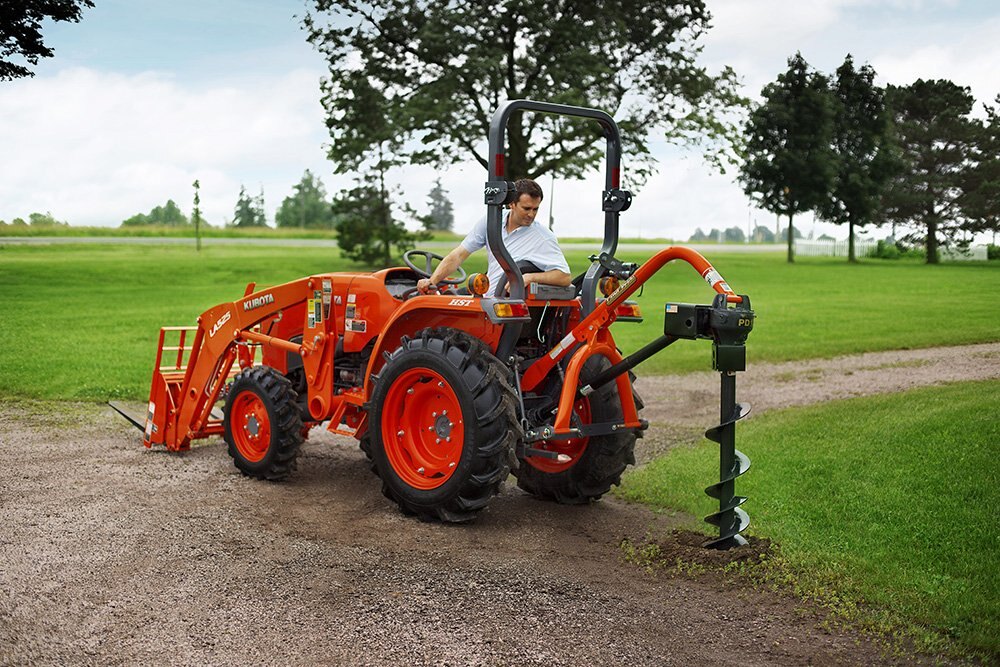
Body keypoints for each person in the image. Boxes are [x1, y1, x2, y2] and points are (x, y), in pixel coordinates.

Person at [416, 178, 572, 294]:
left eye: (535, 209)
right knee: (448, 295)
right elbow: (459, 254)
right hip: (485, 293)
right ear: (511, 203)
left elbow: (564, 277)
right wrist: (432, 282)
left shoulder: (543, 237)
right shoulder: (492, 221)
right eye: (526, 208)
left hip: (500, 305)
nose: (531, 214)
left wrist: (530, 277)